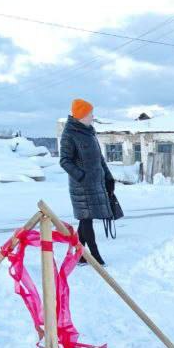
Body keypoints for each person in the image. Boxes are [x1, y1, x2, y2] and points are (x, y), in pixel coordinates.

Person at [59, 98, 117, 265]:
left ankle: (80, 255)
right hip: (81, 186)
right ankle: (94, 255)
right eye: (90, 113)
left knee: (86, 219)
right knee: (86, 219)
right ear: (82, 115)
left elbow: (99, 159)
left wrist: (108, 177)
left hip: (95, 183)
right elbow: (64, 161)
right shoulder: (69, 134)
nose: (92, 116)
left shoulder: (90, 132)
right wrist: (82, 176)